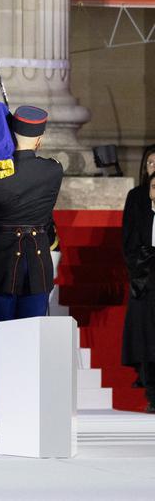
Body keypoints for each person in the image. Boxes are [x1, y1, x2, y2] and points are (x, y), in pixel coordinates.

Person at [0, 106, 63, 333]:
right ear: (39, 139)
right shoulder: (53, 170)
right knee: (33, 334)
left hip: (2, 261)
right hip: (38, 263)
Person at [122, 146, 155, 413]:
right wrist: (137, 266)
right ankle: (149, 386)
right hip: (144, 274)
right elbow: (129, 236)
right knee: (144, 332)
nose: (153, 165)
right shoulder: (136, 197)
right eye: (150, 162)